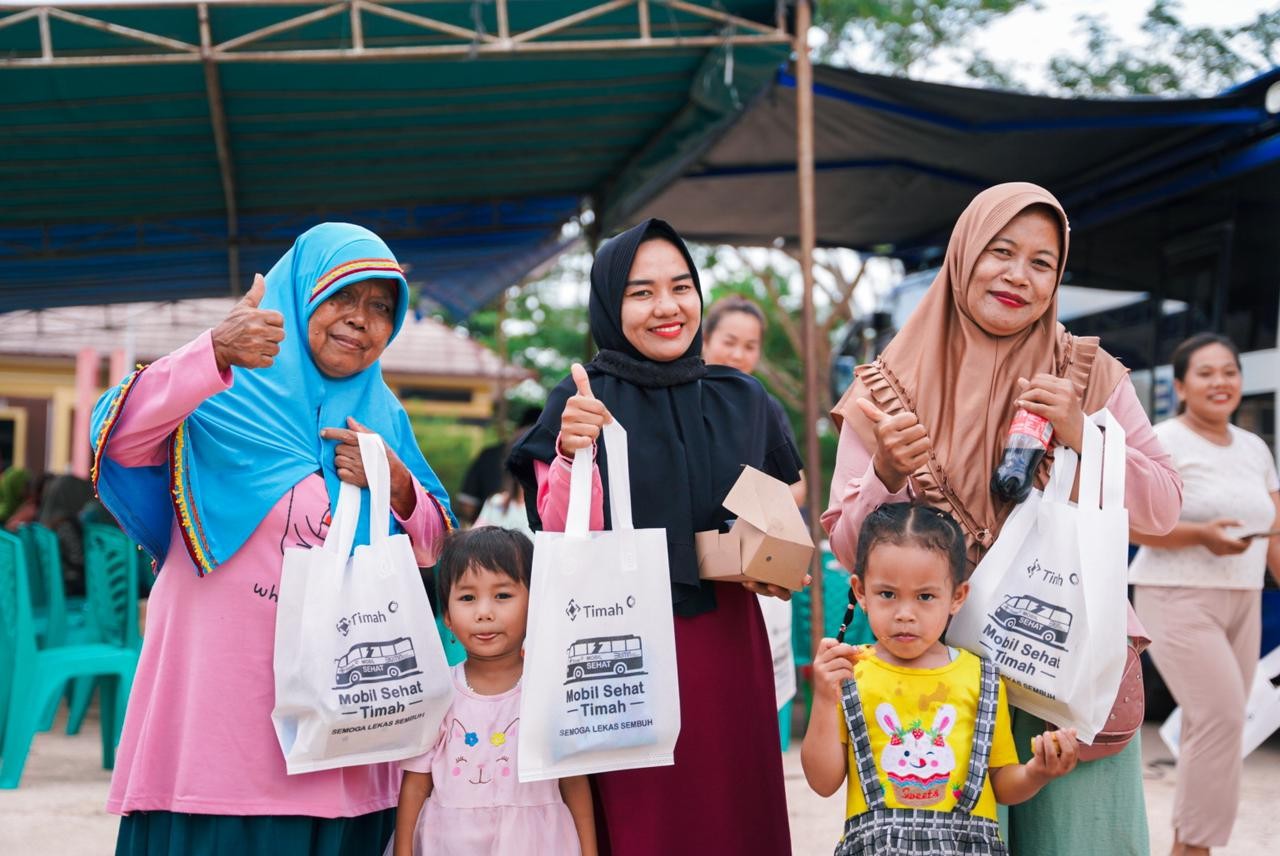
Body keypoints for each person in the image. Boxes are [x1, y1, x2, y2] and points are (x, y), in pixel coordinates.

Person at [821, 182, 1182, 856]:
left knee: (1081, 841)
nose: (1018, 276)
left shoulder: (1088, 374)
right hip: (935, 672)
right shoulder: (884, 387)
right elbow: (847, 544)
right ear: (962, 255)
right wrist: (886, 475)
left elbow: (1163, 506)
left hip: (1062, 664)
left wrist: (1084, 432)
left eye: (1042, 263)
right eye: (1000, 251)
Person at [91, 223, 456, 856]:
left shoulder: (384, 415)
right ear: (300, 295)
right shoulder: (217, 389)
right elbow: (116, 442)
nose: (360, 320)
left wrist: (398, 487)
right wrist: (213, 354)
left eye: (380, 307)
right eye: (343, 296)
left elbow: (435, 542)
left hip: (345, 711)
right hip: (222, 711)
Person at [508, 218, 802, 855]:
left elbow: (780, 517)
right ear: (612, 306)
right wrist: (570, 448)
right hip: (616, 651)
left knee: (729, 815)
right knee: (644, 822)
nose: (667, 307)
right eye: (641, 292)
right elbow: (556, 528)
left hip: (725, 644)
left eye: (680, 287)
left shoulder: (743, 400)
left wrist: (773, 559)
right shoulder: (582, 397)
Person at [802, 502, 1079, 854]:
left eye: (925, 597)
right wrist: (825, 699)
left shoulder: (982, 678)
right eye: (887, 594)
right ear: (860, 592)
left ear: (957, 597)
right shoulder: (851, 673)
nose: (905, 614)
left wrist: (1038, 772)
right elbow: (823, 782)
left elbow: (1001, 783)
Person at [1128, 333, 1280, 856]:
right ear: (1180, 387)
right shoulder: (1162, 441)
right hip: (1175, 596)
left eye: (1230, 372)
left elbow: (1275, 528)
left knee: (1213, 727)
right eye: (1206, 373)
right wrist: (1200, 536)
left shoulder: (1255, 448)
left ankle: (1188, 846)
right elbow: (1130, 524)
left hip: (1244, 597)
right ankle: (1194, 850)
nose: (1221, 382)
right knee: (1221, 718)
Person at [390, 527, 596, 855]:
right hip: (451, 844)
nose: (484, 612)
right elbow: (416, 784)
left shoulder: (549, 692)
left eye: (502, 596)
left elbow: (573, 779)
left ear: (535, 605)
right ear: (447, 616)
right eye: (468, 598)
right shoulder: (438, 694)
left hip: (540, 843)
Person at [701, 294, 801, 718]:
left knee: (751, 687)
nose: (739, 354)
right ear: (703, 339)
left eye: (750, 345)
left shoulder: (764, 404)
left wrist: (746, 504)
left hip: (749, 563)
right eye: (729, 341)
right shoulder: (682, 395)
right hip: (689, 566)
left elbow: (797, 489)